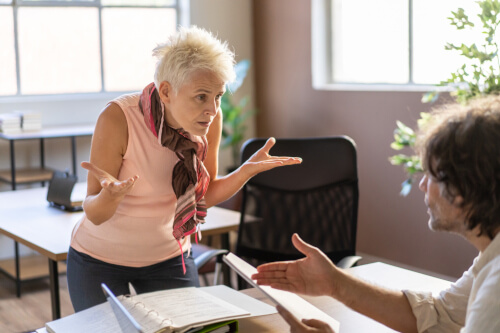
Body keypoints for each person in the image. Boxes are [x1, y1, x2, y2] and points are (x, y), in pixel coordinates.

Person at [66, 25, 302, 312]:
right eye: (201, 96)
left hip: (168, 257)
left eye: (218, 96)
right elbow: (94, 212)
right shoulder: (118, 118)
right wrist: (110, 197)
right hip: (98, 260)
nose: (213, 110)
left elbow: (204, 195)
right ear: (166, 91)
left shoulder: (209, 122)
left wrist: (244, 172)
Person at [252, 95, 500, 333]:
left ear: (464, 186)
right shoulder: (491, 257)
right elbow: (440, 317)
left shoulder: (495, 291)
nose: (423, 185)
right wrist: (334, 282)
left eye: (431, 175)